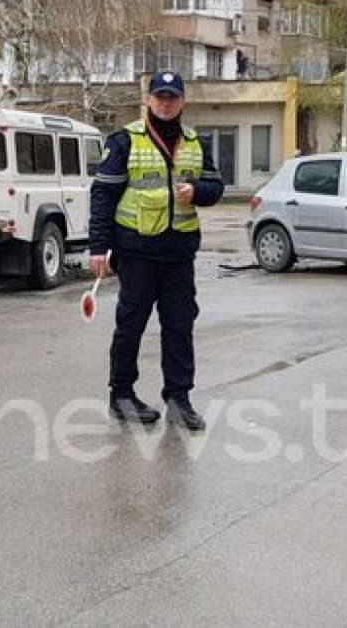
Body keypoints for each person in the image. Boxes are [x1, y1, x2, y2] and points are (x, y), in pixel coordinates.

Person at [88, 71, 225, 431]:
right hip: (137, 252)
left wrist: (196, 191)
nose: (166, 103)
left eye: (172, 97)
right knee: (130, 326)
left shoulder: (196, 143)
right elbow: (102, 196)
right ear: (148, 100)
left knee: (179, 327)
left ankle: (179, 400)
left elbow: (215, 187)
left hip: (179, 253)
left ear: (182, 102)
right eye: (159, 97)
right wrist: (98, 247)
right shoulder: (124, 141)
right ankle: (121, 396)